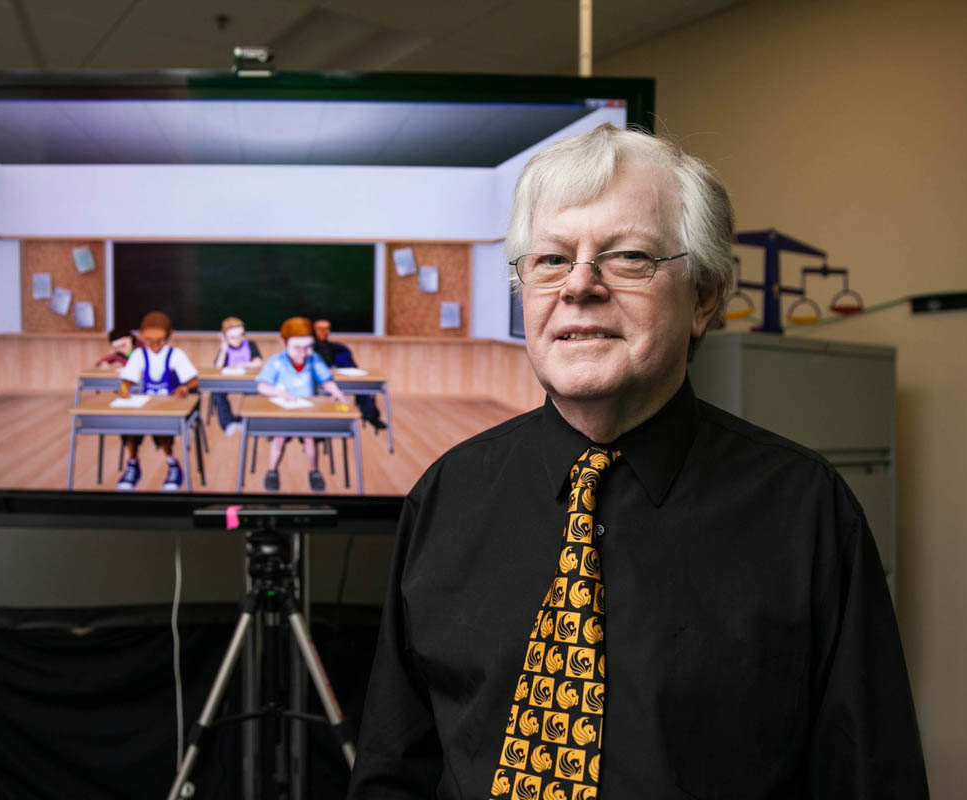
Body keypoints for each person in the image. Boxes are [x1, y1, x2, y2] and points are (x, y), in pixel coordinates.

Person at [347, 124, 927, 799]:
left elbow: (869, 779)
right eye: (550, 261)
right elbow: (394, 771)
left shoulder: (808, 515)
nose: (580, 286)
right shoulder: (445, 498)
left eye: (627, 257)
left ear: (705, 297)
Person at [255, 316, 349, 492]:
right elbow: (262, 385)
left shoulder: (313, 358)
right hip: (283, 411)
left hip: (307, 411)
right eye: (297, 347)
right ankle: (272, 471)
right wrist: (280, 393)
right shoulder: (277, 361)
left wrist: (335, 391)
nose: (303, 353)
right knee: (279, 438)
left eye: (308, 347)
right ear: (283, 343)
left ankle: (313, 471)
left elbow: (325, 379)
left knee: (309, 438)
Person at [115, 311, 198, 492]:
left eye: (159, 341)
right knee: (130, 428)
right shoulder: (139, 354)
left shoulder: (175, 354)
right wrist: (124, 390)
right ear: (142, 336)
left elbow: (193, 380)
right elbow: (128, 379)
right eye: (149, 341)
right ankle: (133, 463)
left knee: (163, 429)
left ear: (169, 335)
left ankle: (172, 463)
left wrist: (184, 388)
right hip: (146, 404)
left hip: (169, 404)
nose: (154, 346)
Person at [312, 319, 386, 431]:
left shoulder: (339, 349)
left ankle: (370, 415)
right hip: (319, 387)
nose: (323, 332)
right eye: (319, 329)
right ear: (313, 330)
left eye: (326, 329)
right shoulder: (308, 350)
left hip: (341, 383)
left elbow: (352, 367)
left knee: (361, 388)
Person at [212, 316, 264, 437]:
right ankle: (228, 423)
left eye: (241, 335)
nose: (238, 339)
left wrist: (243, 365)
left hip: (247, 381)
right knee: (218, 393)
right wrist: (223, 349)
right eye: (232, 337)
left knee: (253, 393)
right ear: (225, 336)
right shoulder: (225, 348)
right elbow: (218, 367)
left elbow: (258, 362)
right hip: (228, 382)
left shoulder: (250, 344)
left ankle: (246, 420)